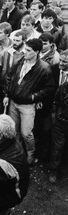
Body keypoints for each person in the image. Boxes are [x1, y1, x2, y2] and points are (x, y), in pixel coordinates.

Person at [3, 38, 56, 165]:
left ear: (37, 52)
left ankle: (30, 155)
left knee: (26, 133)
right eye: (24, 49)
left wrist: (34, 97)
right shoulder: (20, 61)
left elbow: (50, 88)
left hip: (27, 106)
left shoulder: (44, 68)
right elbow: (9, 77)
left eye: (28, 50)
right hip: (13, 103)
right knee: (14, 132)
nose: (24, 52)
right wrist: (6, 94)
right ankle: (18, 154)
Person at [0, 31, 26, 114]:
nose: (14, 43)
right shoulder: (7, 52)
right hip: (5, 87)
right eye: (14, 40)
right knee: (3, 109)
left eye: (17, 41)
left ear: (24, 41)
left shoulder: (27, 54)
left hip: (20, 88)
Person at [49, 50, 68, 183]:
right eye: (60, 60)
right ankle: (54, 170)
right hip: (60, 119)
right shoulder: (62, 85)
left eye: (64, 62)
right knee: (57, 146)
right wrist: (55, 115)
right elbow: (55, 100)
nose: (60, 63)